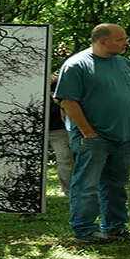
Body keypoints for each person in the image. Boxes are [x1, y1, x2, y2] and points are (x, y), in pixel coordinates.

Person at [55, 24, 130, 244]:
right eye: (121, 39)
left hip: (125, 135)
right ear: (103, 41)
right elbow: (68, 101)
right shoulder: (77, 65)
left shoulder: (124, 64)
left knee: (116, 184)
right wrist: (88, 132)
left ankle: (116, 227)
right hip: (94, 138)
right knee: (87, 184)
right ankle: (84, 230)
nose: (127, 43)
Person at [42, 72, 89, 222]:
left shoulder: (57, 81)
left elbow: (67, 101)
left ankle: (71, 194)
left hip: (58, 128)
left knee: (65, 161)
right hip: (34, 129)